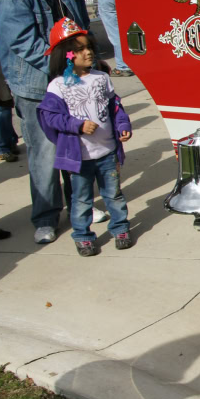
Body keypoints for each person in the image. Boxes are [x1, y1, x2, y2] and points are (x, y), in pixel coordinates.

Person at [0, 0, 90, 244]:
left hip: (68, 74)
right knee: (45, 152)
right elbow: (19, 41)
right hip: (36, 83)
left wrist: (83, 51)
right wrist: (63, 65)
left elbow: (77, 14)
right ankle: (46, 217)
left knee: (75, 144)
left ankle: (82, 207)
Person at [37, 18, 133, 256]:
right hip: (79, 157)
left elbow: (115, 106)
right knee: (81, 199)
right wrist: (77, 126)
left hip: (107, 152)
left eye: (89, 47)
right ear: (67, 55)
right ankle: (82, 235)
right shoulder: (58, 86)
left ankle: (120, 228)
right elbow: (49, 117)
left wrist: (122, 123)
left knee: (114, 194)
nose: (88, 52)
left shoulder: (101, 78)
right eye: (80, 49)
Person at [0, 20, 20, 162]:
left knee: (6, 100)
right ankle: (1, 146)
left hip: (3, 50)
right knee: (0, 103)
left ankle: (9, 140)